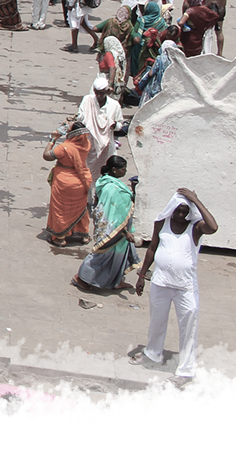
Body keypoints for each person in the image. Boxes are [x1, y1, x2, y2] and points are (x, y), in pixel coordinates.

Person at [132, 189, 218, 392]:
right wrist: (142, 275)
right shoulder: (161, 223)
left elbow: (213, 227)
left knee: (188, 326)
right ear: (172, 208)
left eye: (185, 211)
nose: (181, 214)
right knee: (157, 320)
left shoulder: (196, 227)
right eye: (178, 210)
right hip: (161, 282)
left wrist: (196, 199)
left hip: (185, 287)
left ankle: (186, 371)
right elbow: (152, 248)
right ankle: (152, 353)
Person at [74, 156, 137, 292]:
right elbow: (113, 212)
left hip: (119, 227)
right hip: (114, 229)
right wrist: (125, 231)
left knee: (119, 256)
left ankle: (117, 280)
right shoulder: (111, 188)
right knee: (102, 254)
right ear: (114, 169)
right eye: (123, 169)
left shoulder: (109, 183)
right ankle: (81, 277)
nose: (125, 171)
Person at [44, 120, 94, 246]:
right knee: (81, 208)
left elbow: (46, 156)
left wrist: (53, 139)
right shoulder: (86, 144)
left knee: (61, 210)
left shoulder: (64, 148)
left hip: (64, 182)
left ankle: (60, 238)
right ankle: (83, 235)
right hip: (81, 181)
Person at [75, 75, 123, 176]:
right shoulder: (88, 100)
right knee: (86, 170)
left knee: (103, 170)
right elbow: (81, 117)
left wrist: (113, 125)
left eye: (101, 93)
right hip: (89, 142)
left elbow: (120, 125)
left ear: (106, 91)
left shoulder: (114, 105)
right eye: (97, 92)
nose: (99, 95)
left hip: (106, 145)